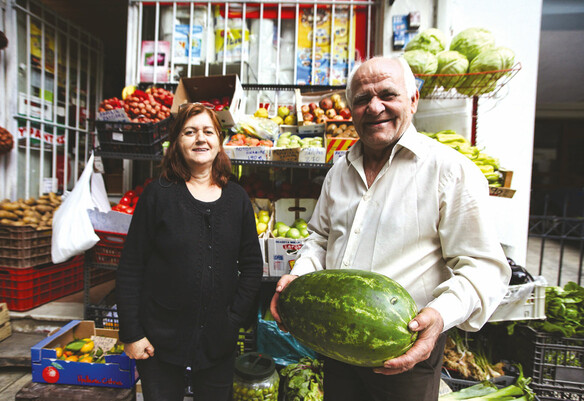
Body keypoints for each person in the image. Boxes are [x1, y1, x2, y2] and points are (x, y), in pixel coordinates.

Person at [269, 56, 511, 401]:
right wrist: (299, 275)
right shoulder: (340, 171)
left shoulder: (450, 170)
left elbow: (484, 267)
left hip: (406, 352)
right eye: (362, 99)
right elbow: (320, 239)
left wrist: (440, 317)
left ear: (413, 100)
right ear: (350, 109)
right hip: (336, 341)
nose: (374, 107)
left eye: (387, 94)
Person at [116, 103, 263, 401]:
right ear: (176, 142)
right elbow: (131, 267)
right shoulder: (158, 194)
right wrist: (131, 333)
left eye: (208, 131)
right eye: (190, 132)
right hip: (158, 340)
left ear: (219, 141)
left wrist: (233, 319)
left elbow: (251, 266)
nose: (200, 139)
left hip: (218, 342)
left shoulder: (237, 199)